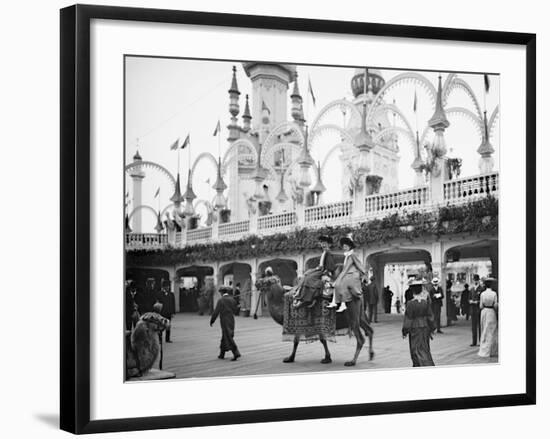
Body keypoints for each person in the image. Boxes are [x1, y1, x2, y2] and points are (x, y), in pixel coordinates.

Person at [293, 235, 336, 309]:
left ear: (329, 244)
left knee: (309, 278)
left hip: (324, 271)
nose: (323, 245)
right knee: (306, 274)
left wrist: (325, 272)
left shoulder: (328, 253)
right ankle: (299, 294)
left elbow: (330, 266)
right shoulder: (324, 252)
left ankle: (308, 299)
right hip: (320, 269)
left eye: (325, 243)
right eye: (322, 243)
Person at [327, 236, 366, 312]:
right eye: (343, 246)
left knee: (339, 283)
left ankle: (341, 303)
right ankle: (337, 302)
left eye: (345, 246)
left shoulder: (352, 255)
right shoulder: (348, 255)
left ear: (349, 246)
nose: (344, 248)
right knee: (337, 284)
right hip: (349, 275)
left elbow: (356, 265)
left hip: (352, 276)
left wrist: (364, 273)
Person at [402, 280, 436, 367]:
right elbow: (430, 316)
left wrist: (405, 331)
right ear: (421, 290)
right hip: (425, 328)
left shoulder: (410, 304)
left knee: (415, 350)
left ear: (412, 291)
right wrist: (432, 328)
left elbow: (408, 318)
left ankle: (420, 366)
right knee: (425, 349)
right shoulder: (425, 302)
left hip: (415, 329)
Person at [210, 286, 241, 361]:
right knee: (225, 336)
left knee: (228, 336)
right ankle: (222, 354)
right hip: (231, 319)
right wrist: (238, 306)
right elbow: (236, 311)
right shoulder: (232, 299)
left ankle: (236, 353)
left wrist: (212, 320)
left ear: (221, 292)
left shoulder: (221, 300)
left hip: (224, 320)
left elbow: (216, 312)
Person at [478, 277, 498, 357]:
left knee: (484, 330)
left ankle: (484, 350)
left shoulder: (482, 294)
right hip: (491, 312)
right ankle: (491, 350)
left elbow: (480, 306)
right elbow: (496, 305)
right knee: (492, 330)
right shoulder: (494, 293)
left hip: (484, 312)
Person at [469, 274, 484, 346]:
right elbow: (468, 299)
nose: (475, 281)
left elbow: (482, 299)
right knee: (473, 326)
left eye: (476, 280)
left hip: (479, 309)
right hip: (472, 309)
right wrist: (470, 301)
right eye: (474, 280)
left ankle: (481, 341)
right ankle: (474, 341)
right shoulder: (471, 289)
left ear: (478, 280)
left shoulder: (481, 289)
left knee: (480, 326)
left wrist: (477, 302)